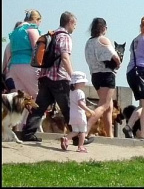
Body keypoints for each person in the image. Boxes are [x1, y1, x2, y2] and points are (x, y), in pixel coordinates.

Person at [21, 12, 91, 144]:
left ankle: (28, 133)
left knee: (39, 107)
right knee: (69, 108)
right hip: (59, 78)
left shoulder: (51, 35)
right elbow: (65, 57)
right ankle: (78, 137)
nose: (75, 27)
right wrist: (73, 76)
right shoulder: (65, 37)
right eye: (74, 24)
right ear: (69, 22)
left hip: (44, 76)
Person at [84, 17, 120, 138]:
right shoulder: (103, 40)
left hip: (95, 75)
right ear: (103, 28)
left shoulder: (89, 42)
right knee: (104, 104)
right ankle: (85, 129)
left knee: (108, 106)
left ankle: (109, 135)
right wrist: (118, 64)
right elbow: (115, 56)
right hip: (106, 74)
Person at [8, 11, 42, 102]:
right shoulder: (32, 29)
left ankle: (24, 116)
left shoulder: (15, 32)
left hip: (14, 66)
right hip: (27, 65)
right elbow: (37, 49)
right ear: (36, 20)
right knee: (38, 95)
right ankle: (38, 116)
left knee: (23, 98)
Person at [60, 71, 95, 153]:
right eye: (82, 82)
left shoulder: (71, 92)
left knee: (75, 131)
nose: (83, 84)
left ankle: (66, 138)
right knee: (82, 131)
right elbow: (80, 103)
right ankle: (81, 146)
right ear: (77, 83)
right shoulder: (80, 92)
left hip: (72, 114)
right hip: (80, 114)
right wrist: (89, 110)